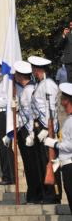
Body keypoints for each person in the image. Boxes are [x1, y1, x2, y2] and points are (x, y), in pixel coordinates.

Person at [28, 55, 62, 204]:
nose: (33, 72)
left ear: (39, 69)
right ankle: (46, 193)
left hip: (47, 128)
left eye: (35, 69)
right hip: (40, 127)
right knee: (42, 162)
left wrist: (49, 131)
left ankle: (54, 194)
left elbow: (51, 110)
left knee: (50, 162)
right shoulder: (40, 84)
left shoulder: (48, 85)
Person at [12, 60, 40, 203]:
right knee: (28, 165)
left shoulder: (30, 90)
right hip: (22, 129)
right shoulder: (23, 90)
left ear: (20, 75)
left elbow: (33, 114)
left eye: (16, 74)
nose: (14, 76)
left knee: (32, 164)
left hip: (29, 132)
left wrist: (30, 133)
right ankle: (32, 194)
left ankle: (35, 195)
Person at [44, 83, 72, 213]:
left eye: (62, 98)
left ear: (67, 101)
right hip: (66, 164)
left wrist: (55, 144)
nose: (60, 101)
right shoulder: (68, 120)